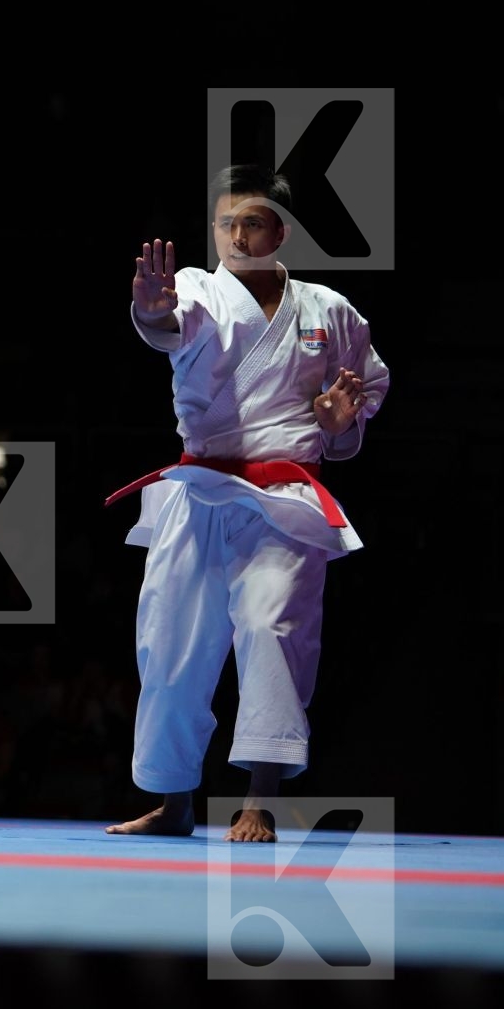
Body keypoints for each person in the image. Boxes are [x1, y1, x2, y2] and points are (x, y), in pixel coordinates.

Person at [104, 165, 389, 842]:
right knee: (170, 646)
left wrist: (338, 419)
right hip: (199, 490)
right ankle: (173, 804)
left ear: (282, 232)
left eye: (252, 223)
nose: (236, 236)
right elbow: (167, 322)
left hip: (284, 497)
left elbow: (368, 386)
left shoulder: (331, 311)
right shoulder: (199, 290)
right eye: (226, 224)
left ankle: (259, 798)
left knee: (271, 631)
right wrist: (148, 306)